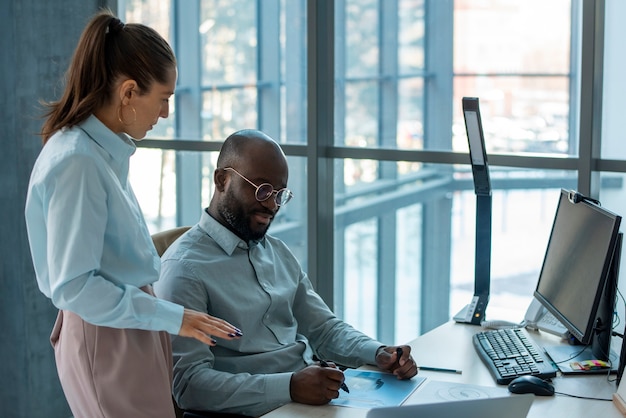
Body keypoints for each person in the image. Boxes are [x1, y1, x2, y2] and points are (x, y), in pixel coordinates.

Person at [24, 10, 242, 418]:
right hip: (108, 337)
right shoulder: (78, 162)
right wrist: (173, 317)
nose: (165, 113)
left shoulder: (100, 153)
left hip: (126, 328)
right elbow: (76, 286)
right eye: (163, 99)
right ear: (128, 93)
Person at [154, 129, 419, 417]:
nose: (271, 205)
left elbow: (323, 328)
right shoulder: (184, 269)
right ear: (222, 180)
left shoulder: (276, 251)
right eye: (261, 189)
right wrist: (290, 386)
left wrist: (379, 353)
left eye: (279, 194)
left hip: (309, 400)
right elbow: (189, 385)